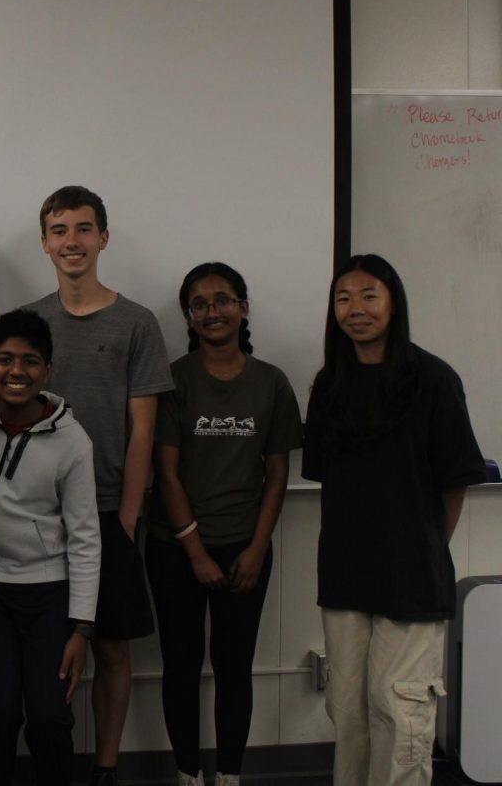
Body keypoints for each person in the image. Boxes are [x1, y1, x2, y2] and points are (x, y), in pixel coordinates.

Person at [302, 254, 485, 786]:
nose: (355, 309)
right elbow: (328, 479)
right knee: (349, 711)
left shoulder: (433, 378)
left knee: (400, 711)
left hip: (411, 574)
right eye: (343, 298)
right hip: (343, 575)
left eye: (369, 295)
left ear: (394, 302)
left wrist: (425, 546)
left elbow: (455, 482)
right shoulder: (329, 383)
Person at [24, 185, 173, 786]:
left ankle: (106, 770)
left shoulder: (137, 323)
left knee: (111, 649)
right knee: (47, 652)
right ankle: (54, 766)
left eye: (84, 229)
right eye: (59, 230)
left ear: (103, 238)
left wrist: (128, 519)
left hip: (111, 513)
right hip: (38, 518)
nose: (72, 242)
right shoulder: (30, 323)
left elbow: (143, 432)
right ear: (45, 243)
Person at [147, 264, 302, 786]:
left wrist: (257, 548)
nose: (212, 311)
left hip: (244, 549)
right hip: (176, 548)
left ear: (244, 307)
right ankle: (189, 774)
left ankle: (230, 775)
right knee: (182, 666)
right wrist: (195, 554)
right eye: (199, 303)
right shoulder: (172, 380)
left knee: (235, 668)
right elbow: (164, 472)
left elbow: (277, 473)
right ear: (188, 316)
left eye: (223, 300)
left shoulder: (272, 382)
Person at [0, 309, 101, 786]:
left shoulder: (72, 441)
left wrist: (81, 627)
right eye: (4, 359)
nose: (16, 371)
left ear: (47, 371)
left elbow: (84, 536)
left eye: (30, 361)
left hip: (47, 595)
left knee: (49, 718)